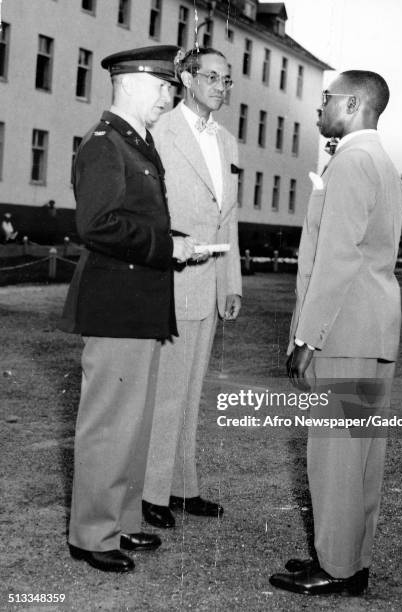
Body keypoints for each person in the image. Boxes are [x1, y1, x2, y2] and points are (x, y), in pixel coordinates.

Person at [59, 45, 196, 573]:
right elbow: (97, 226)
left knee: (133, 425)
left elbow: (134, 220)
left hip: (139, 305)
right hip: (116, 305)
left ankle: (122, 521)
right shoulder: (104, 145)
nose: (170, 97)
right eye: (165, 86)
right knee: (109, 425)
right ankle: (91, 535)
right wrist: (168, 248)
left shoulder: (135, 143)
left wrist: (175, 240)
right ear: (134, 82)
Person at [269, 71, 402, 596]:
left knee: (335, 455)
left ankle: (336, 567)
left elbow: (336, 260)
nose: (319, 107)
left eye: (327, 98)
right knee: (361, 455)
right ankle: (352, 559)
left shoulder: (351, 161)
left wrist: (308, 338)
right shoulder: (383, 162)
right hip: (372, 329)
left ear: (351, 104)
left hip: (343, 331)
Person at [142, 47, 242, 529]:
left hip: (209, 284)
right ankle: (151, 493)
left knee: (192, 392)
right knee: (166, 393)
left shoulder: (227, 141)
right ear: (185, 77)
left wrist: (231, 283)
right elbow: (148, 208)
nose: (221, 87)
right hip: (173, 278)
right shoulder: (160, 131)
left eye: (227, 80)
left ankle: (183, 486)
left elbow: (229, 219)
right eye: (212, 77)